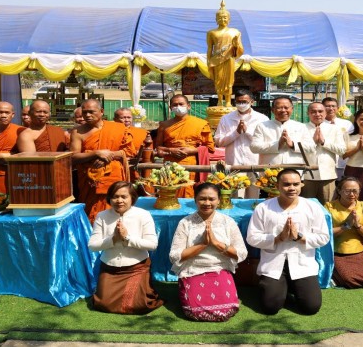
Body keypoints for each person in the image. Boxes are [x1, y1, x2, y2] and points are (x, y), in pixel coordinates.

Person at [246, 169, 330, 315]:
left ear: (301, 185)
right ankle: (278, 288)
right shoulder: (263, 208)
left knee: (311, 308)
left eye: (296, 184)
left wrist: (300, 237)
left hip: (302, 262)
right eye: (286, 184)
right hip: (274, 262)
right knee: (270, 307)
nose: (292, 188)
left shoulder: (312, 208)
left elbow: (323, 237)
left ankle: (290, 286)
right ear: (277, 186)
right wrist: (278, 238)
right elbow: (252, 238)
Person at [169, 183, 248, 321]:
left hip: (219, 268)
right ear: (195, 200)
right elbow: (174, 255)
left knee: (227, 310)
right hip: (192, 269)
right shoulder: (186, 223)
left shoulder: (227, 222)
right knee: (193, 312)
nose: (207, 203)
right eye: (202, 199)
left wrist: (216, 244)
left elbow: (241, 253)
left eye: (211, 199)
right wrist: (202, 244)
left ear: (219, 200)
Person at [88, 181, 163, 314]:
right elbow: (92, 246)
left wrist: (127, 238)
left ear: (132, 198)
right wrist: (113, 239)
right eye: (115, 197)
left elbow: (152, 245)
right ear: (110, 198)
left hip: (136, 267)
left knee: (139, 305)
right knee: (103, 304)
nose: (119, 201)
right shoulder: (102, 216)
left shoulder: (143, 215)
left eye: (124, 197)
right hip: (110, 268)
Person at [71, 99, 131, 222]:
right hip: (90, 181)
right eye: (84, 112)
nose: (87, 115)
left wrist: (108, 156)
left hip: (113, 178)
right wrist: (96, 153)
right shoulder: (77, 132)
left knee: (116, 207)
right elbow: (73, 157)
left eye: (91, 112)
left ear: (101, 111)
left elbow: (129, 152)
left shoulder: (117, 128)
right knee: (92, 214)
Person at [155, 95, 215, 197]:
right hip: (170, 164)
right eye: (175, 105)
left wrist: (191, 151)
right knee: (169, 192)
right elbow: (158, 148)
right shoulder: (164, 125)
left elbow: (209, 147)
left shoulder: (200, 124)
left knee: (189, 192)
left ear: (188, 106)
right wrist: (171, 150)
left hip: (191, 163)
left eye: (181, 104)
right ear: (170, 108)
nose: (178, 106)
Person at [215, 89, 268, 198]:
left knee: (253, 198)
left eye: (244, 101)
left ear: (252, 102)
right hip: (233, 164)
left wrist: (247, 131)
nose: (241, 104)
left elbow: (265, 142)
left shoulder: (262, 119)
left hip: (254, 163)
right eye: (239, 102)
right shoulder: (226, 119)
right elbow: (218, 142)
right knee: (233, 197)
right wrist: (236, 133)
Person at [325, 177, 363, 288]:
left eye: (355, 191)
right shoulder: (329, 206)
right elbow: (325, 233)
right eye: (347, 191)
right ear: (339, 191)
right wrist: (346, 226)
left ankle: (337, 276)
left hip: (360, 252)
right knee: (349, 280)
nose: (351, 194)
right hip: (338, 252)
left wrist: (357, 225)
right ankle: (335, 274)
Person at [250, 97, 315, 170]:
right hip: (269, 171)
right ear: (272, 110)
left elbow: (311, 148)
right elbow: (254, 147)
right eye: (279, 108)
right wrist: (277, 144)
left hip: (295, 171)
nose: (283, 110)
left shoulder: (301, 126)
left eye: (286, 107)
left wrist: (293, 145)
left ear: (292, 109)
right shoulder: (262, 126)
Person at [303, 102, 346, 203]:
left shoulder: (334, 129)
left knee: (327, 206)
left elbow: (342, 150)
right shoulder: (302, 128)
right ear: (308, 113)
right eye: (313, 112)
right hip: (307, 176)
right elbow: (297, 149)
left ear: (325, 113)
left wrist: (324, 142)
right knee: (307, 206)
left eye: (320, 111)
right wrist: (313, 142)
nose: (317, 114)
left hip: (328, 175)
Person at [206, 0, 244, 107]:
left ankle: (228, 101)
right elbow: (210, 48)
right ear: (216, 19)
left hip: (229, 59)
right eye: (220, 18)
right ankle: (219, 100)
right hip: (216, 60)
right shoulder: (211, 33)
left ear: (229, 19)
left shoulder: (235, 32)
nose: (223, 19)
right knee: (219, 80)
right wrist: (208, 61)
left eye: (225, 17)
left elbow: (239, 49)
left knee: (229, 81)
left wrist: (236, 45)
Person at [322, 97, 353, 179]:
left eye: (333, 106)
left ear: (338, 108)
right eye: (327, 106)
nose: (331, 108)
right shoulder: (319, 125)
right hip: (325, 162)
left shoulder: (347, 124)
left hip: (343, 162)